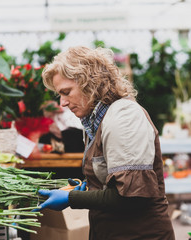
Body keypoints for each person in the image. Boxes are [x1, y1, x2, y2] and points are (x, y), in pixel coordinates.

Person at [34, 46, 175, 239]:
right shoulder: (96, 121)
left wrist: (71, 198)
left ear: (89, 82)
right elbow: (113, 181)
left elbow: (131, 196)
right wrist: (87, 187)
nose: (62, 103)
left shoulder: (124, 118)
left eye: (66, 92)